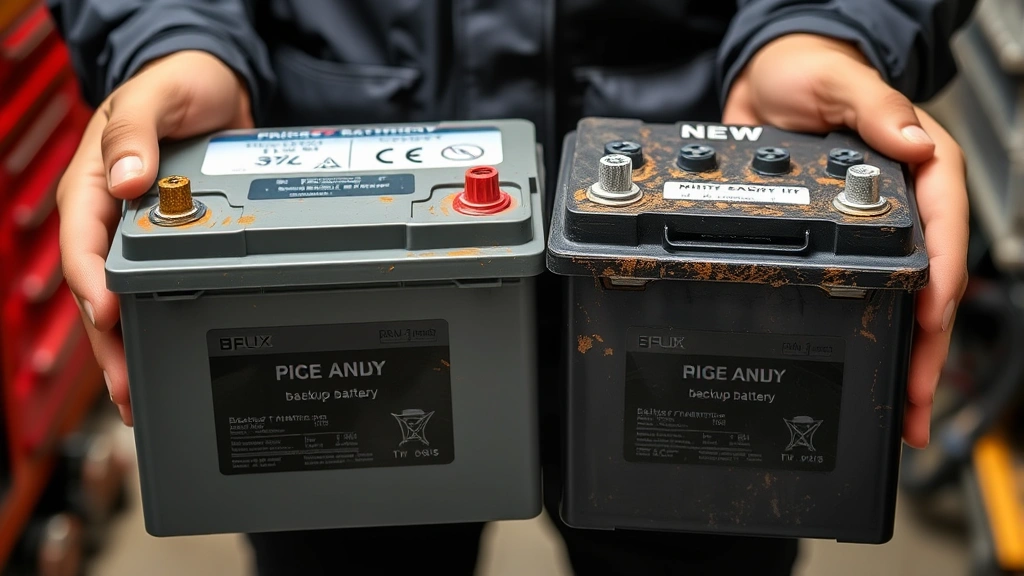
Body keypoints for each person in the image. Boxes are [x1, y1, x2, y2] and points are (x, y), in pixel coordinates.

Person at [47, 1, 974, 574]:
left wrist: (826, 27)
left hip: (712, 268)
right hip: (321, 271)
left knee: (711, 531)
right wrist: (173, 37)